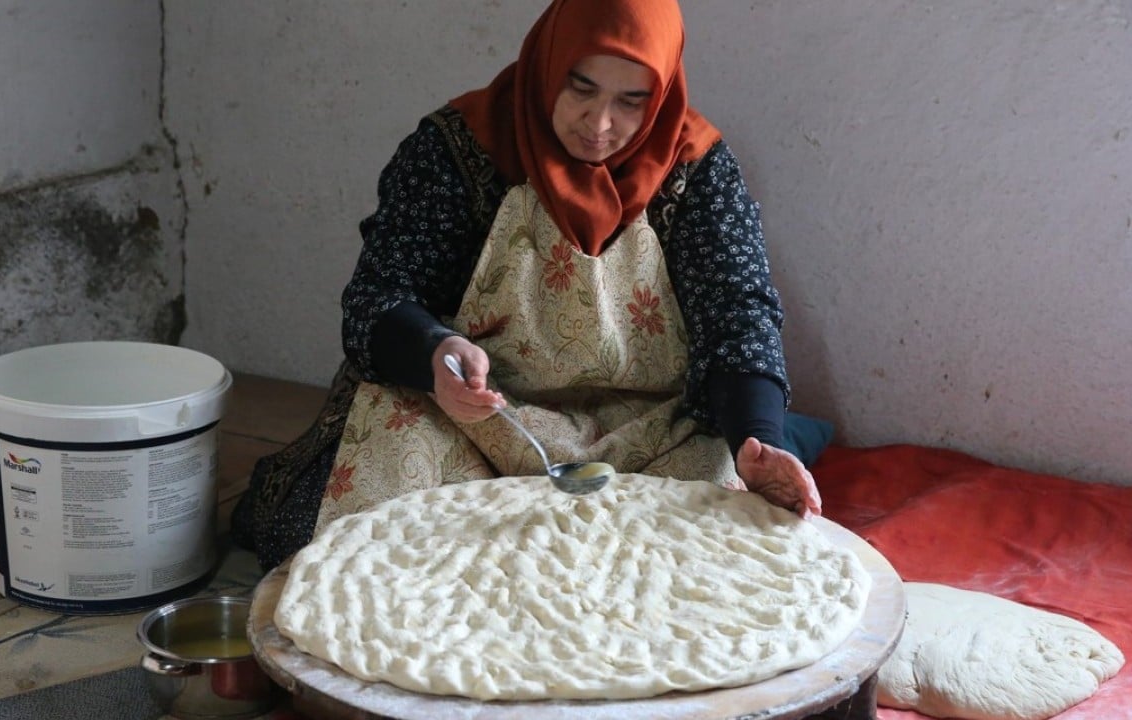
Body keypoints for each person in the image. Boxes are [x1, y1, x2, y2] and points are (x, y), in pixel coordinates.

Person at [232, 0, 821, 571]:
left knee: (725, 558)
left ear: (662, 94)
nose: (600, 124)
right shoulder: (458, 148)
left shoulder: (696, 166)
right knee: (334, 543)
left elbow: (738, 314)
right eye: (582, 88)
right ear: (549, 61)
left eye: (631, 101)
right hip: (476, 417)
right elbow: (378, 295)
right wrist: (432, 350)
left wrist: (759, 440)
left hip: (648, 435)